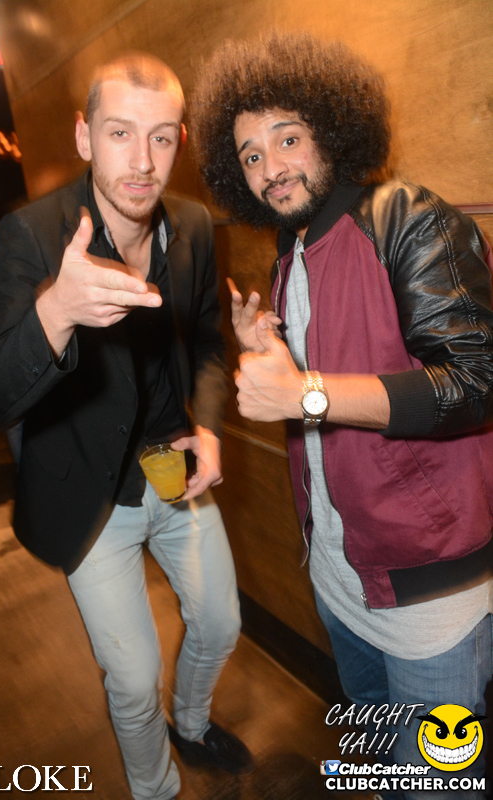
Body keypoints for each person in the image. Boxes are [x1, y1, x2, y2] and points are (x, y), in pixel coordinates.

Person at [191, 33, 493, 799]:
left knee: (432, 785)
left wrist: (306, 393)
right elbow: (342, 370)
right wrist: (270, 349)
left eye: (287, 138)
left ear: (331, 128)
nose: (271, 167)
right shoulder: (290, 252)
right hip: (338, 577)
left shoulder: (407, 217)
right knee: (380, 768)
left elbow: (475, 382)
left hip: (429, 598)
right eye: (250, 154)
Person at [0, 53, 252, 800]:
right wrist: (57, 311)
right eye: (120, 132)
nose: (142, 162)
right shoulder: (33, 234)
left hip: (174, 469)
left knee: (220, 626)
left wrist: (210, 426)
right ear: (84, 136)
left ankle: (190, 724)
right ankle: (155, 789)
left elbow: (206, 344)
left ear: (180, 141)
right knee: (131, 678)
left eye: (161, 137)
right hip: (89, 494)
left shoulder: (193, 225)